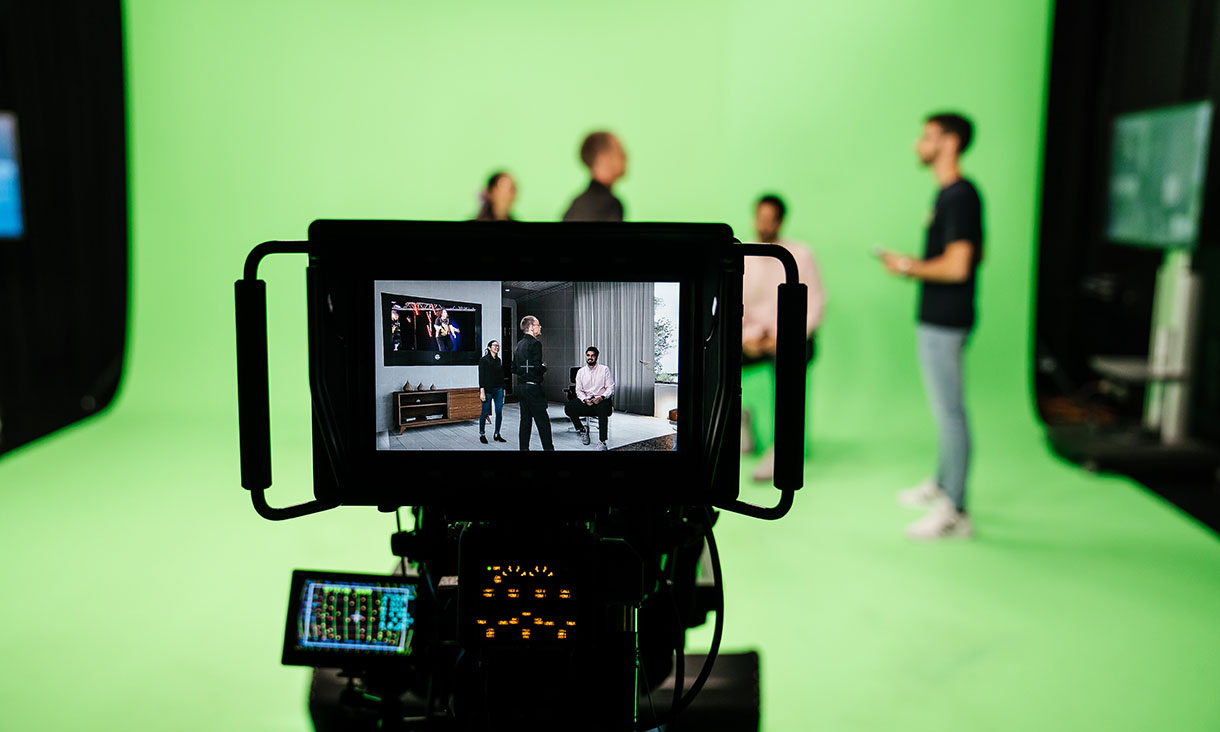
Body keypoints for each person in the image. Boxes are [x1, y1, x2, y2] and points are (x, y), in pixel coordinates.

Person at [881, 112, 984, 540]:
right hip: (937, 318)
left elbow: (960, 266)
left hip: (946, 321)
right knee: (945, 410)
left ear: (950, 142)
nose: (917, 145)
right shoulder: (948, 196)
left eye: (926, 137)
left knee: (950, 412)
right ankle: (942, 485)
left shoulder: (960, 196)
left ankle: (956, 510)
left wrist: (907, 266)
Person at [741, 194, 826, 481]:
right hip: (752, 338)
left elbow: (815, 304)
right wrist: (746, 338)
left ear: (780, 221)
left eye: (770, 219)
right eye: (759, 218)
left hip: (791, 338)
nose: (763, 225)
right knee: (713, 354)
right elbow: (735, 307)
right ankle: (736, 423)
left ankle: (783, 446)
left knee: (789, 363)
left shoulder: (800, 255)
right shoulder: (744, 256)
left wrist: (784, 337)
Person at [562, 131, 627, 222]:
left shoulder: (576, 204)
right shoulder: (609, 205)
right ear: (603, 158)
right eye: (620, 152)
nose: (626, 156)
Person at [512, 315, 554, 451]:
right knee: (543, 423)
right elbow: (536, 368)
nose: (540, 327)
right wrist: (543, 367)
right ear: (530, 327)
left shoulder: (519, 345)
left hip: (521, 388)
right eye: (538, 324)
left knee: (525, 422)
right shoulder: (535, 343)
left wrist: (526, 370)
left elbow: (514, 368)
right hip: (533, 389)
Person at [564, 346, 615, 450]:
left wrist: (601, 397)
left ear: (596, 357)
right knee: (569, 407)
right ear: (586, 357)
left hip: (601, 400)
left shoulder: (604, 369)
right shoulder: (581, 372)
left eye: (592, 355)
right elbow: (578, 390)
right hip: (587, 400)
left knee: (603, 408)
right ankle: (582, 429)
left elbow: (610, 387)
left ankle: (602, 442)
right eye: (588, 355)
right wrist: (584, 399)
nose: (590, 358)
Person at [478, 340, 507, 444]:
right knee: (485, 412)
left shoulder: (498, 360)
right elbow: (481, 376)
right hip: (488, 389)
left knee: (499, 412)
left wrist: (503, 389)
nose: (497, 347)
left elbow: (501, 376)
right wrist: (482, 390)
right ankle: (482, 434)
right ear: (489, 348)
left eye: (498, 346)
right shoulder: (483, 360)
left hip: (498, 388)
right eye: (495, 345)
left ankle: (497, 434)